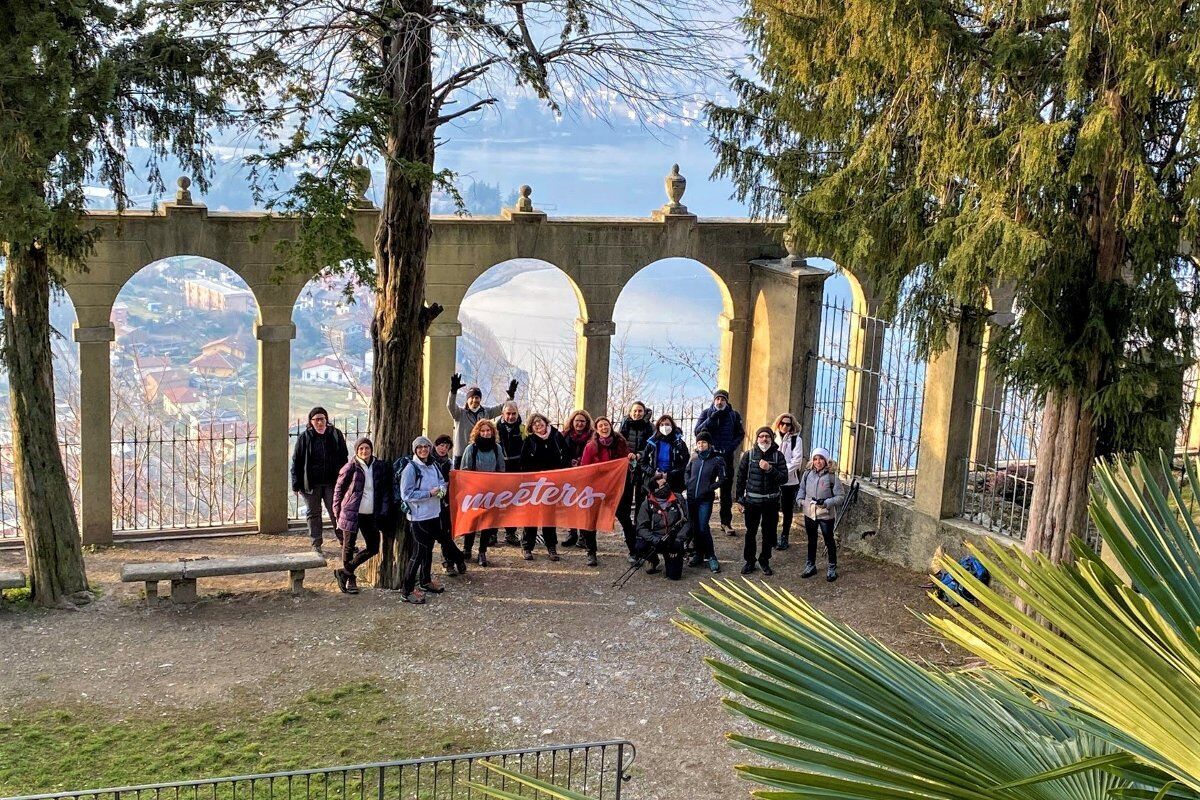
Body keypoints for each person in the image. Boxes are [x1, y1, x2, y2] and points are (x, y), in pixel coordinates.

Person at [331, 437, 391, 594]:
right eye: (361, 449)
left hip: (370, 513)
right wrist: (337, 512)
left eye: (367, 448)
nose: (364, 451)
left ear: (371, 449)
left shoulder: (378, 467)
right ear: (356, 451)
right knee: (348, 546)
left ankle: (344, 571)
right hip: (351, 512)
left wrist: (383, 510)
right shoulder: (350, 467)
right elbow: (338, 491)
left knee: (373, 547)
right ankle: (351, 579)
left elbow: (384, 491)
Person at [290, 406, 349, 554]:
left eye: (322, 419)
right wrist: (296, 483)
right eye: (316, 419)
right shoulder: (305, 437)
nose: (319, 422)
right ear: (311, 422)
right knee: (313, 513)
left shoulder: (335, 434)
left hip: (332, 482)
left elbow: (344, 458)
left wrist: (345, 480)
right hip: (311, 483)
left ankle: (344, 542)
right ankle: (316, 544)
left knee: (337, 512)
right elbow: (297, 461)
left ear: (326, 419)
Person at [398, 436, 449, 604]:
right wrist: (428, 494)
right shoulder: (411, 469)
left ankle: (426, 581)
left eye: (426, 447)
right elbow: (406, 494)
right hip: (418, 517)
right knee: (418, 553)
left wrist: (441, 490)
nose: (423, 450)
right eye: (419, 448)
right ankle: (407, 590)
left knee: (428, 550)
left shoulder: (433, 464)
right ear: (415, 450)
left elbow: (442, 481)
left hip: (433, 513)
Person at [579, 416, 633, 567]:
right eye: (601, 425)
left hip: (617, 490)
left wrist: (631, 458)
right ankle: (591, 553)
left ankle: (633, 551)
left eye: (606, 424)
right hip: (597, 490)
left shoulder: (621, 443)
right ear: (597, 429)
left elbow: (628, 462)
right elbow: (585, 468)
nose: (604, 427)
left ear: (610, 426)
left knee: (625, 519)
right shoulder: (591, 446)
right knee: (591, 521)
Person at [735, 426, 787, 576]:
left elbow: (784, 478)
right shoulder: (749, 455)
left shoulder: (778, 456)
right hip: (752, 502)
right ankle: (749, 561)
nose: (764, 439)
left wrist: (770, 469)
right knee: (750, 532)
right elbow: (741, 478)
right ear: (757, 439)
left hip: (771, 502)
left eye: (767, 437)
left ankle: (764, 560)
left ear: (772, 439)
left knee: (768, 532)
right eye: (762, 436)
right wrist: (739, 499)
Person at [694, 389, 746, 537]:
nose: (719, 402)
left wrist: (730, 448)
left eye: (722, 399)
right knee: (705, 488)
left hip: (726, 457)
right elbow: (698, 432)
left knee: (726, 491)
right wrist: (712, 417)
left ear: (726, 401)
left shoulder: (733, 415)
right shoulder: (706, 413)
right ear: (714, 400)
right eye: (717, 399)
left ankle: (726, 522)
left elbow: (740, 434)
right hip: (709, 457)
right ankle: (702, 522)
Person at [519, 412, 570, 561]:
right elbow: (523, 462)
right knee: (531, 516)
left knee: (549, 516)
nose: (538, 424)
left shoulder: (556, 436)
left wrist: (561, 474)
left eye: (539, 421)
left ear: (545, 422)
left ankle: (551, 547)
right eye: (534, 423)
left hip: (552, 484)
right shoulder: (529, 441)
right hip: (534, 485)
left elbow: (565, 455)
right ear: (531, 426)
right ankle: (527, 547)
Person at [459, 419, 506, 567]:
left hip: (490, 492)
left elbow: (501, 469)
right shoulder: (471, 449)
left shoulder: (497, 448)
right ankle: (467, 549)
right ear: (478, 432)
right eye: (483, 431)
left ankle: (482, 551)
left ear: (492, 432)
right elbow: (464, 471)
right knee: (472, 522)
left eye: (488, 431)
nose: (486, 433)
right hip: (474, 492)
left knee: (486, 523)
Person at [448, 373, 518, 468]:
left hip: (479, 455)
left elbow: (502, 408)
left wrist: (510, 396)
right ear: (467, 399)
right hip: (461, 455)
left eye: (476, 397)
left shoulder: (486, 412)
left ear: (480, 399)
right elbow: (450, 406)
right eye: (471, 397)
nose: (474, 400)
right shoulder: (460, 413)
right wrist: (453, 392)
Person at [634, 471, 690, 578]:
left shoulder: (678, 499)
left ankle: (671, 561)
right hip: (656, 540)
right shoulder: (647, 504)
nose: (667, 486)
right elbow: (641, 528)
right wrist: (654, 539)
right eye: (663, 485)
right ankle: (653, 560)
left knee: (674, 576)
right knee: (640, 545)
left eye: (666, 483)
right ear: (655, 489)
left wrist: (680, 538)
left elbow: (688, 521)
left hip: (674, 539)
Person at [800, 447, 845, 581]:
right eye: (815, 459)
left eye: (820, 459)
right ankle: (810, 564)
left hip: (825, 514)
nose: (818, 462)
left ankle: (832, 567)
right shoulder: (807, 474)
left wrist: (826, 503)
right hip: (809, 513)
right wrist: (800, 500)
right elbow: (802, 489)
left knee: (828, 539)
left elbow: (840, 497)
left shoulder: (832, 477)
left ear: (826, 461)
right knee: (811, 540)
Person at [683, 431, 725, 573]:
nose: (701, 445)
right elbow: (687, 472)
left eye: (704, 442)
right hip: (691, 497)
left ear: (709, 444)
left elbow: (723, 478)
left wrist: (710, 488)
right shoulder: (694, 458)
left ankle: (711, 556)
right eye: (699, 442)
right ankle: (698, 554)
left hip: (705, 499)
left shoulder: (717, 459)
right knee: (694, 526)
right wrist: (688, 483)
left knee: (703, 526)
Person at [617, 402, 654, 560]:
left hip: (642, 469)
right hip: (626, 468)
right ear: (630, 412)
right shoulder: (624, 424)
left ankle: (640, 541)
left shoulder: (649, 427)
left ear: (644, 412)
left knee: (641, 505)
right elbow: (619, 443)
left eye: (640, 411)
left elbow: (650, 445)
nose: (637, 413)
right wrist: (628, 454)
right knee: (623, 507)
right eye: (634, 411)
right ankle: (630, 535)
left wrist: (639, 455)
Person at [431, 434, 467, 577]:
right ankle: (459, 557)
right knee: (439, 534)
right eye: (441, 445)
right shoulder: (429, 460)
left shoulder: (449, 463)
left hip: (444, 502)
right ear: (435, 445)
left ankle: (449, 562)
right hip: (429, 500)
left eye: (446, 447)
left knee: (446, 533)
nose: (443, 448)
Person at [561, 409, 594, 549]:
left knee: (584, 505)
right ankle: (572, 533)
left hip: (587, 475)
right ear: (572, 422)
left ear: (586, 423)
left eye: (582, 421)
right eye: (577, 421)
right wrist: (570, 461)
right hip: (569, 474)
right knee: (570, 504)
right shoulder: (564, 435)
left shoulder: (593, 436)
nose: (579, 423)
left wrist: (582, 461)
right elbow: (560, 453)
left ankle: (583, 536)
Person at [494, 402, 526, 546]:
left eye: (514, 414)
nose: (511, 416)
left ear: (518, 414)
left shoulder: (523, 428)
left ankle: (511, 533)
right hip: (499, 469)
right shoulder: (494, 428)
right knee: (495, 502)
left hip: (516, 469)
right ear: (502, 414)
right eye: (508, 414)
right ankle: (491, 533)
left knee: (512, 503)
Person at [773, 412, 806, 551]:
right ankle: (772, 536)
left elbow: (796, 460)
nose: (785, 426)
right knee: (773, 508)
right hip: (773, 480)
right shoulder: (772, 438)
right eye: (783, 423)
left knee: (787, 509)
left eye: (788, 424)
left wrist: (782, 471)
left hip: (789, 480)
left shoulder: (796, 440)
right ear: (778, 424)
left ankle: (785, 536)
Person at [640, 414, 690, 494]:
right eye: (662, 425)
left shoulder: (679, 443)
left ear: (672, 426)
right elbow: (643, 462)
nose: (664, 427)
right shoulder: (652, 442)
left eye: (667, 424)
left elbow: (686, 463)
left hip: (674, 482)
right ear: (658, 427)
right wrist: (653, 473)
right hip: (655, 480)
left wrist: (670, 475)